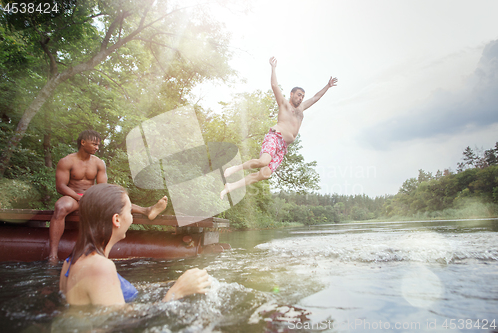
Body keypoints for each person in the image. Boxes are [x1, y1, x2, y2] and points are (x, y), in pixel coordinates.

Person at [59, 183, 210, 305]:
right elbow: (122, 322)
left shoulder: (70, 261)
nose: (131, 218)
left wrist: (167, 285)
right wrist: (178, 291)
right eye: (130, 211)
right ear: (117, 219)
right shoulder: (101, 267)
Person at [221, 57, 338, 198]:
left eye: (302, 96)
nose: (301, 98)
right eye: (299, 95)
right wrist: (273, 68)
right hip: (275, 137)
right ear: (292, 94)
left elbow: (315, 97)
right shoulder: (284, 104)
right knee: (263, 161)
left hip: (283, 147)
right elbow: (274, 86)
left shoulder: (301, 108)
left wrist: (328, 86)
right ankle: (236, 168)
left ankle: (231, 186)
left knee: (264, 174)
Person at [48, 130, 168, 262]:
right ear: (83, 142)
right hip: (73, 196)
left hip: (91, 196)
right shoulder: (67, 161)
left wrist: (92, 198)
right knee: (60, 206)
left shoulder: (99, 163)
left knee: (115, 200)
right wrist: (78, 197)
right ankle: (52, 255)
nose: (97, 148)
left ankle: (147, 210)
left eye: (98, 145)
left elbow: (102, 188)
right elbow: (61, 186)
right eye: (94, 144)